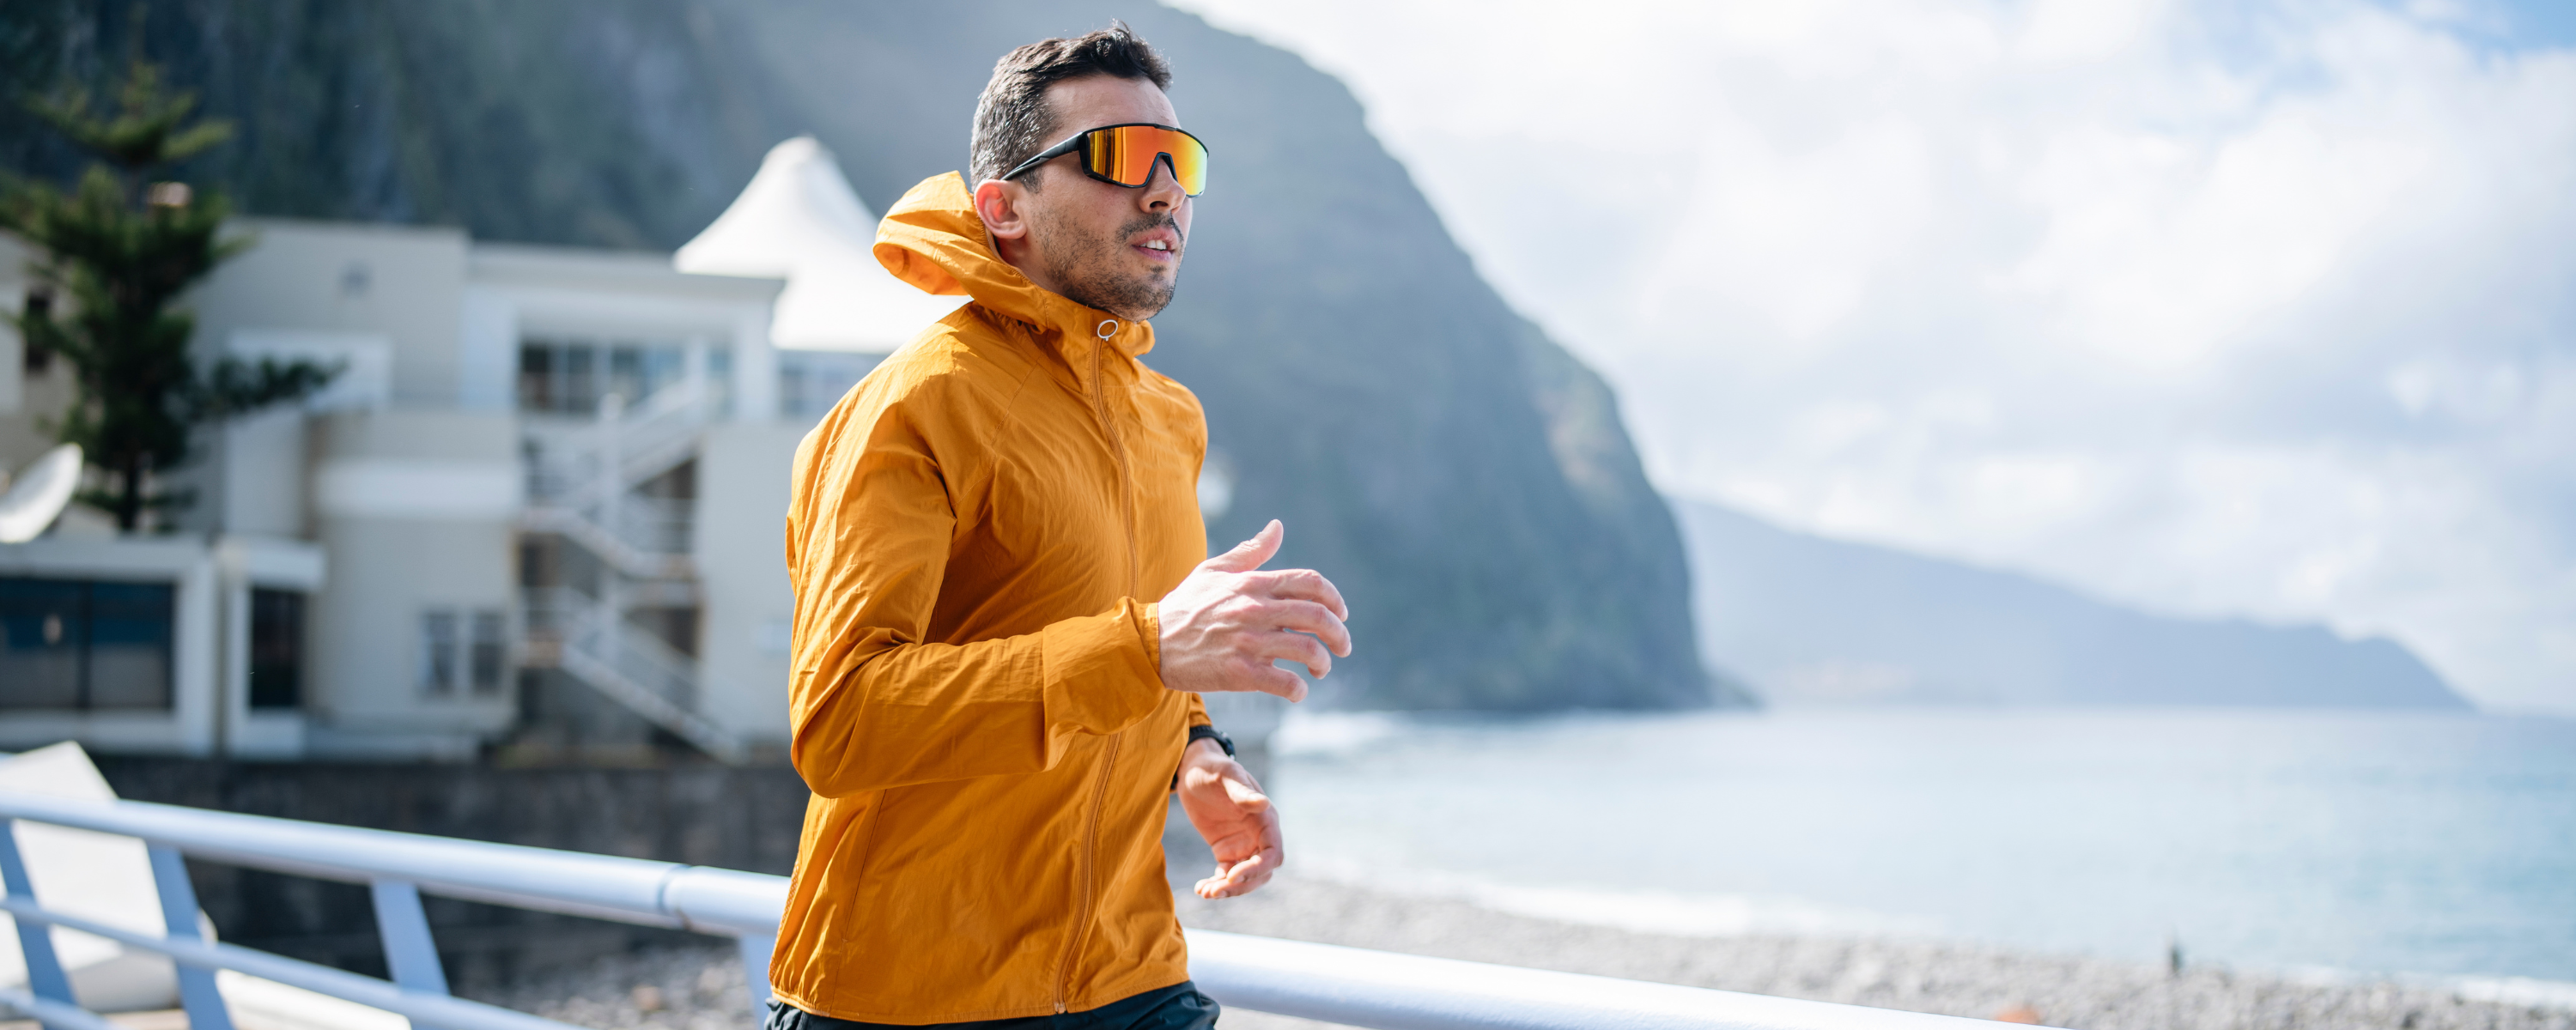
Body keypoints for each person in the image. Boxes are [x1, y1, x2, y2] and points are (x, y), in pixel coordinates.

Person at [763, 22, 1354, 1030]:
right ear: (1004, 207)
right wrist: (1152, 647)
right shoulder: (915, 407)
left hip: (1131, 977)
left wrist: (1195, 749)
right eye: (1123, 158)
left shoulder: (1169, 419)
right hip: (907, 999)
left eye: (1182, 162)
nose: (1165, 190)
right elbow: (843, 719)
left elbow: (1125, 652)